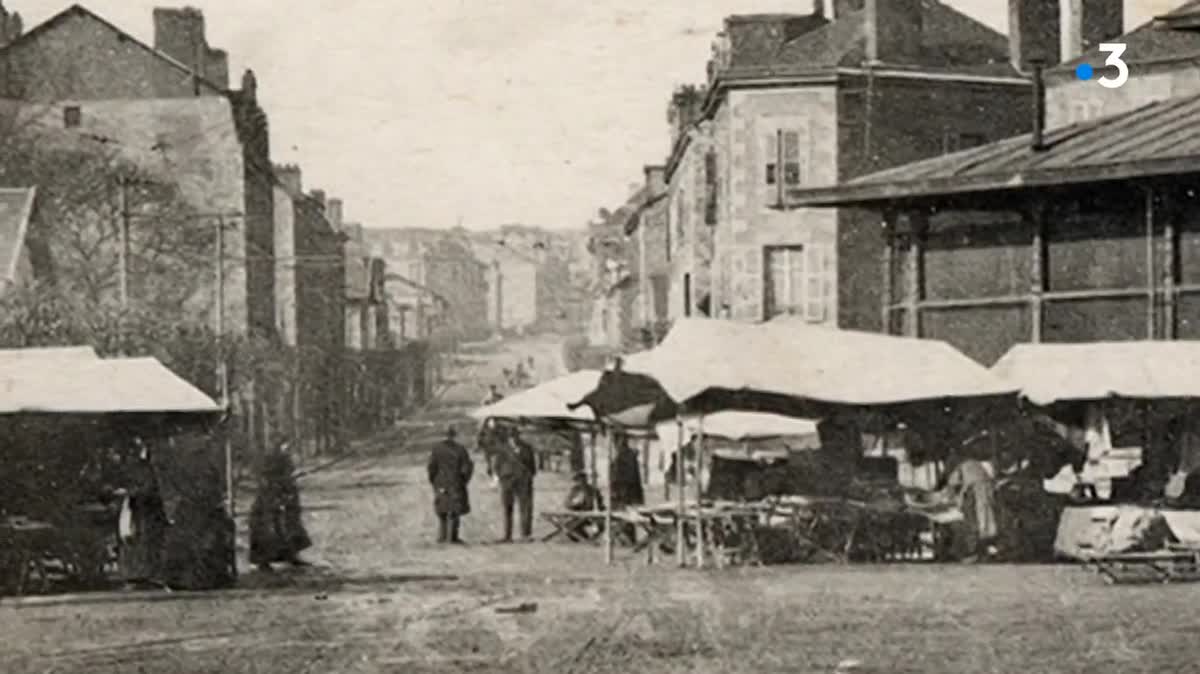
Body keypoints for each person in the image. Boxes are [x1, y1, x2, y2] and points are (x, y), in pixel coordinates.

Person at [249, 440, 312, 571]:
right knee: (268, 530)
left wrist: (290, 481)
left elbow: (288, 476)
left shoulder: (286, 460)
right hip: (271, 499)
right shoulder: (270, 460)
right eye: (285, 447)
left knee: (291, 526)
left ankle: (292, 555)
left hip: (286, 497)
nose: (288, 449)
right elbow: (267, 480)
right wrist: (278, 489)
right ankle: (263, 561)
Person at [117, 437, 169, 589]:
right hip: (139, 508)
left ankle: (145, 574)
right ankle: (137, 574)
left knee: (144, 540)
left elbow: (149, 488)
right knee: (135, 539)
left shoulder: (145, 468)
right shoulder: (138, 467)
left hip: (146, 509)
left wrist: (131, 492)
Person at [937, 454, 998, 563]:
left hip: (974, 492)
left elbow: (952, 486)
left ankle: (974, 551)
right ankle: (982, 550)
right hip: (983, 491)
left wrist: (947, 498)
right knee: (984, 521)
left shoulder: (960, 468)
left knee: (973, 523)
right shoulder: (974, 465)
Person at [427, 426, 474, 544]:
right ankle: (452, 537)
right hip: (456, 482)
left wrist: (434, 481)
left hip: (441, 482)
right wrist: (464, 481)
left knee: (442, 510)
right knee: (454, 511)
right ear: (454, 435)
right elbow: (467, 467)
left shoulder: (436, 449)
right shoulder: (460, 449)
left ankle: (442, 536)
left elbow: (431, 467)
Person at [494, 426, 537, 542]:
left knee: (526, 508)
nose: (513, 438)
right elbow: (497, 465)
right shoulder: (502, 449)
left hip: (523, 480)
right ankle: (507, 535)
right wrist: (502, 476)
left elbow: (532, 467)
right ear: (507, 438)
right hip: (507, 481)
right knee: (507, 508)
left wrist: (527, 476)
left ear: (519, 435)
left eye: (515, 435)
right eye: (511, 436)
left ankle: (525, 535)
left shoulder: (527, 448)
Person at [610, 437, 645, 544]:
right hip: (625, 491)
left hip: (625, 491)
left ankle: (626, 538)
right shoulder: (625, 456)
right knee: (624, 517)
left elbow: (627, 476)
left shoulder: (624, 457)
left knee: (625, 515)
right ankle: (625, 537)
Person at [564, 471, 604, 540]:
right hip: (578, 514)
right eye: (579, 480)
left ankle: (592, 538)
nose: (581, 482)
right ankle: (585, 539)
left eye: (583, 479)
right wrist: (573, 503)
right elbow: (567, 503)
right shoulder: (575, 490)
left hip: (593, 515)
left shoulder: (593, 490)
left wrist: (586, 501)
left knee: (600, 525)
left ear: (586, 480)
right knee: (567, 526)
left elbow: (597, 503)